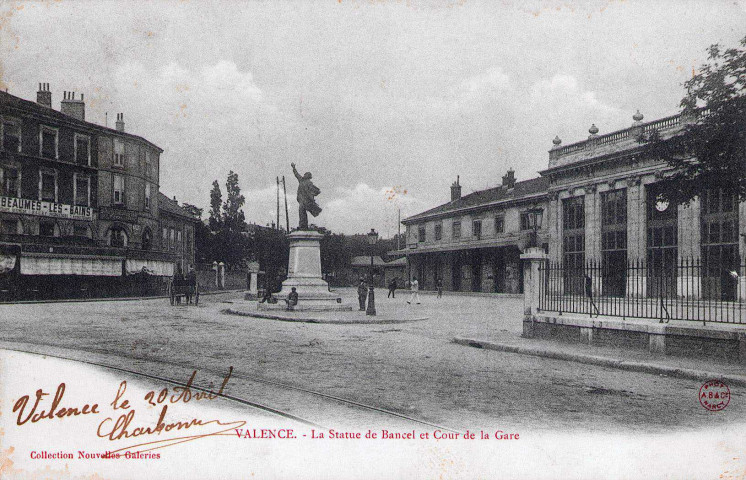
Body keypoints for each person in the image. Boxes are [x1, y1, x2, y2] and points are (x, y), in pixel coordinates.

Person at [291, 162, 322, 230]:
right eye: (305, 174)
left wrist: (312, 196)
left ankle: (303, 226)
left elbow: (315, 191)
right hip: (302, 200)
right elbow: (296, 174)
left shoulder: (309, 183)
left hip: (307, 200)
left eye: (306, 174)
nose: (304, 175)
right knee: (301, 212)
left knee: (302, 212)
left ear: (308, 176)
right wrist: (294, 168)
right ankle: (303, 226)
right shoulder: (301, 180)